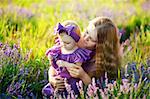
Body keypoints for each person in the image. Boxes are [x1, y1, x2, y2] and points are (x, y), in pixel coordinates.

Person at [42, 20, 93, 97]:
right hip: (59, 79)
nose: (63, 45)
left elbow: (76, 67)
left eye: (67, 43)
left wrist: (65, 64)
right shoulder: (58, 50)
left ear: (76, 41)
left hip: (71, 82)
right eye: (61, 42)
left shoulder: (77, 54)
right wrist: (52, 60)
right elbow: (53, 67)